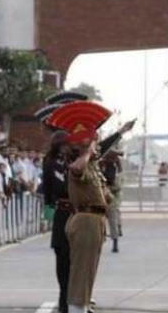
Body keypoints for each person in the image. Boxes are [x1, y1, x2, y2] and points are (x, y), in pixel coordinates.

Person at [46, 101, 114, 313]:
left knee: (87, 272)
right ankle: (75, 309)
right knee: (79, 272)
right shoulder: (75, 162)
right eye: (93, 142)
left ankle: (80, 307)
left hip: (94, 220)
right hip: (84, 220)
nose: (96, 146)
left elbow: (106, 196)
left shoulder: (91, 164)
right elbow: (76, 169)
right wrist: (88, 151)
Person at [42, 131, 72, 313]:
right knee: (61, 256)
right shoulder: (50, 162)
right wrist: (47, 209)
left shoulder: (77, 160)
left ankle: (75, 297)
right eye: (64, 144)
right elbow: (47, 188)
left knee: (76, 259)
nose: (66, 147)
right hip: (61, 212)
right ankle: (63, 297)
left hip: (77, 213)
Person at [101, 149, 125, 252]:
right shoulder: (102, 166)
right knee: (101, 221)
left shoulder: (117, 169)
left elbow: (118, 186)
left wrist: (107, 188)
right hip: (102, 197)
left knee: (112, 220)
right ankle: (103, 240)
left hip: (112, 198)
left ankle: (115, 242)